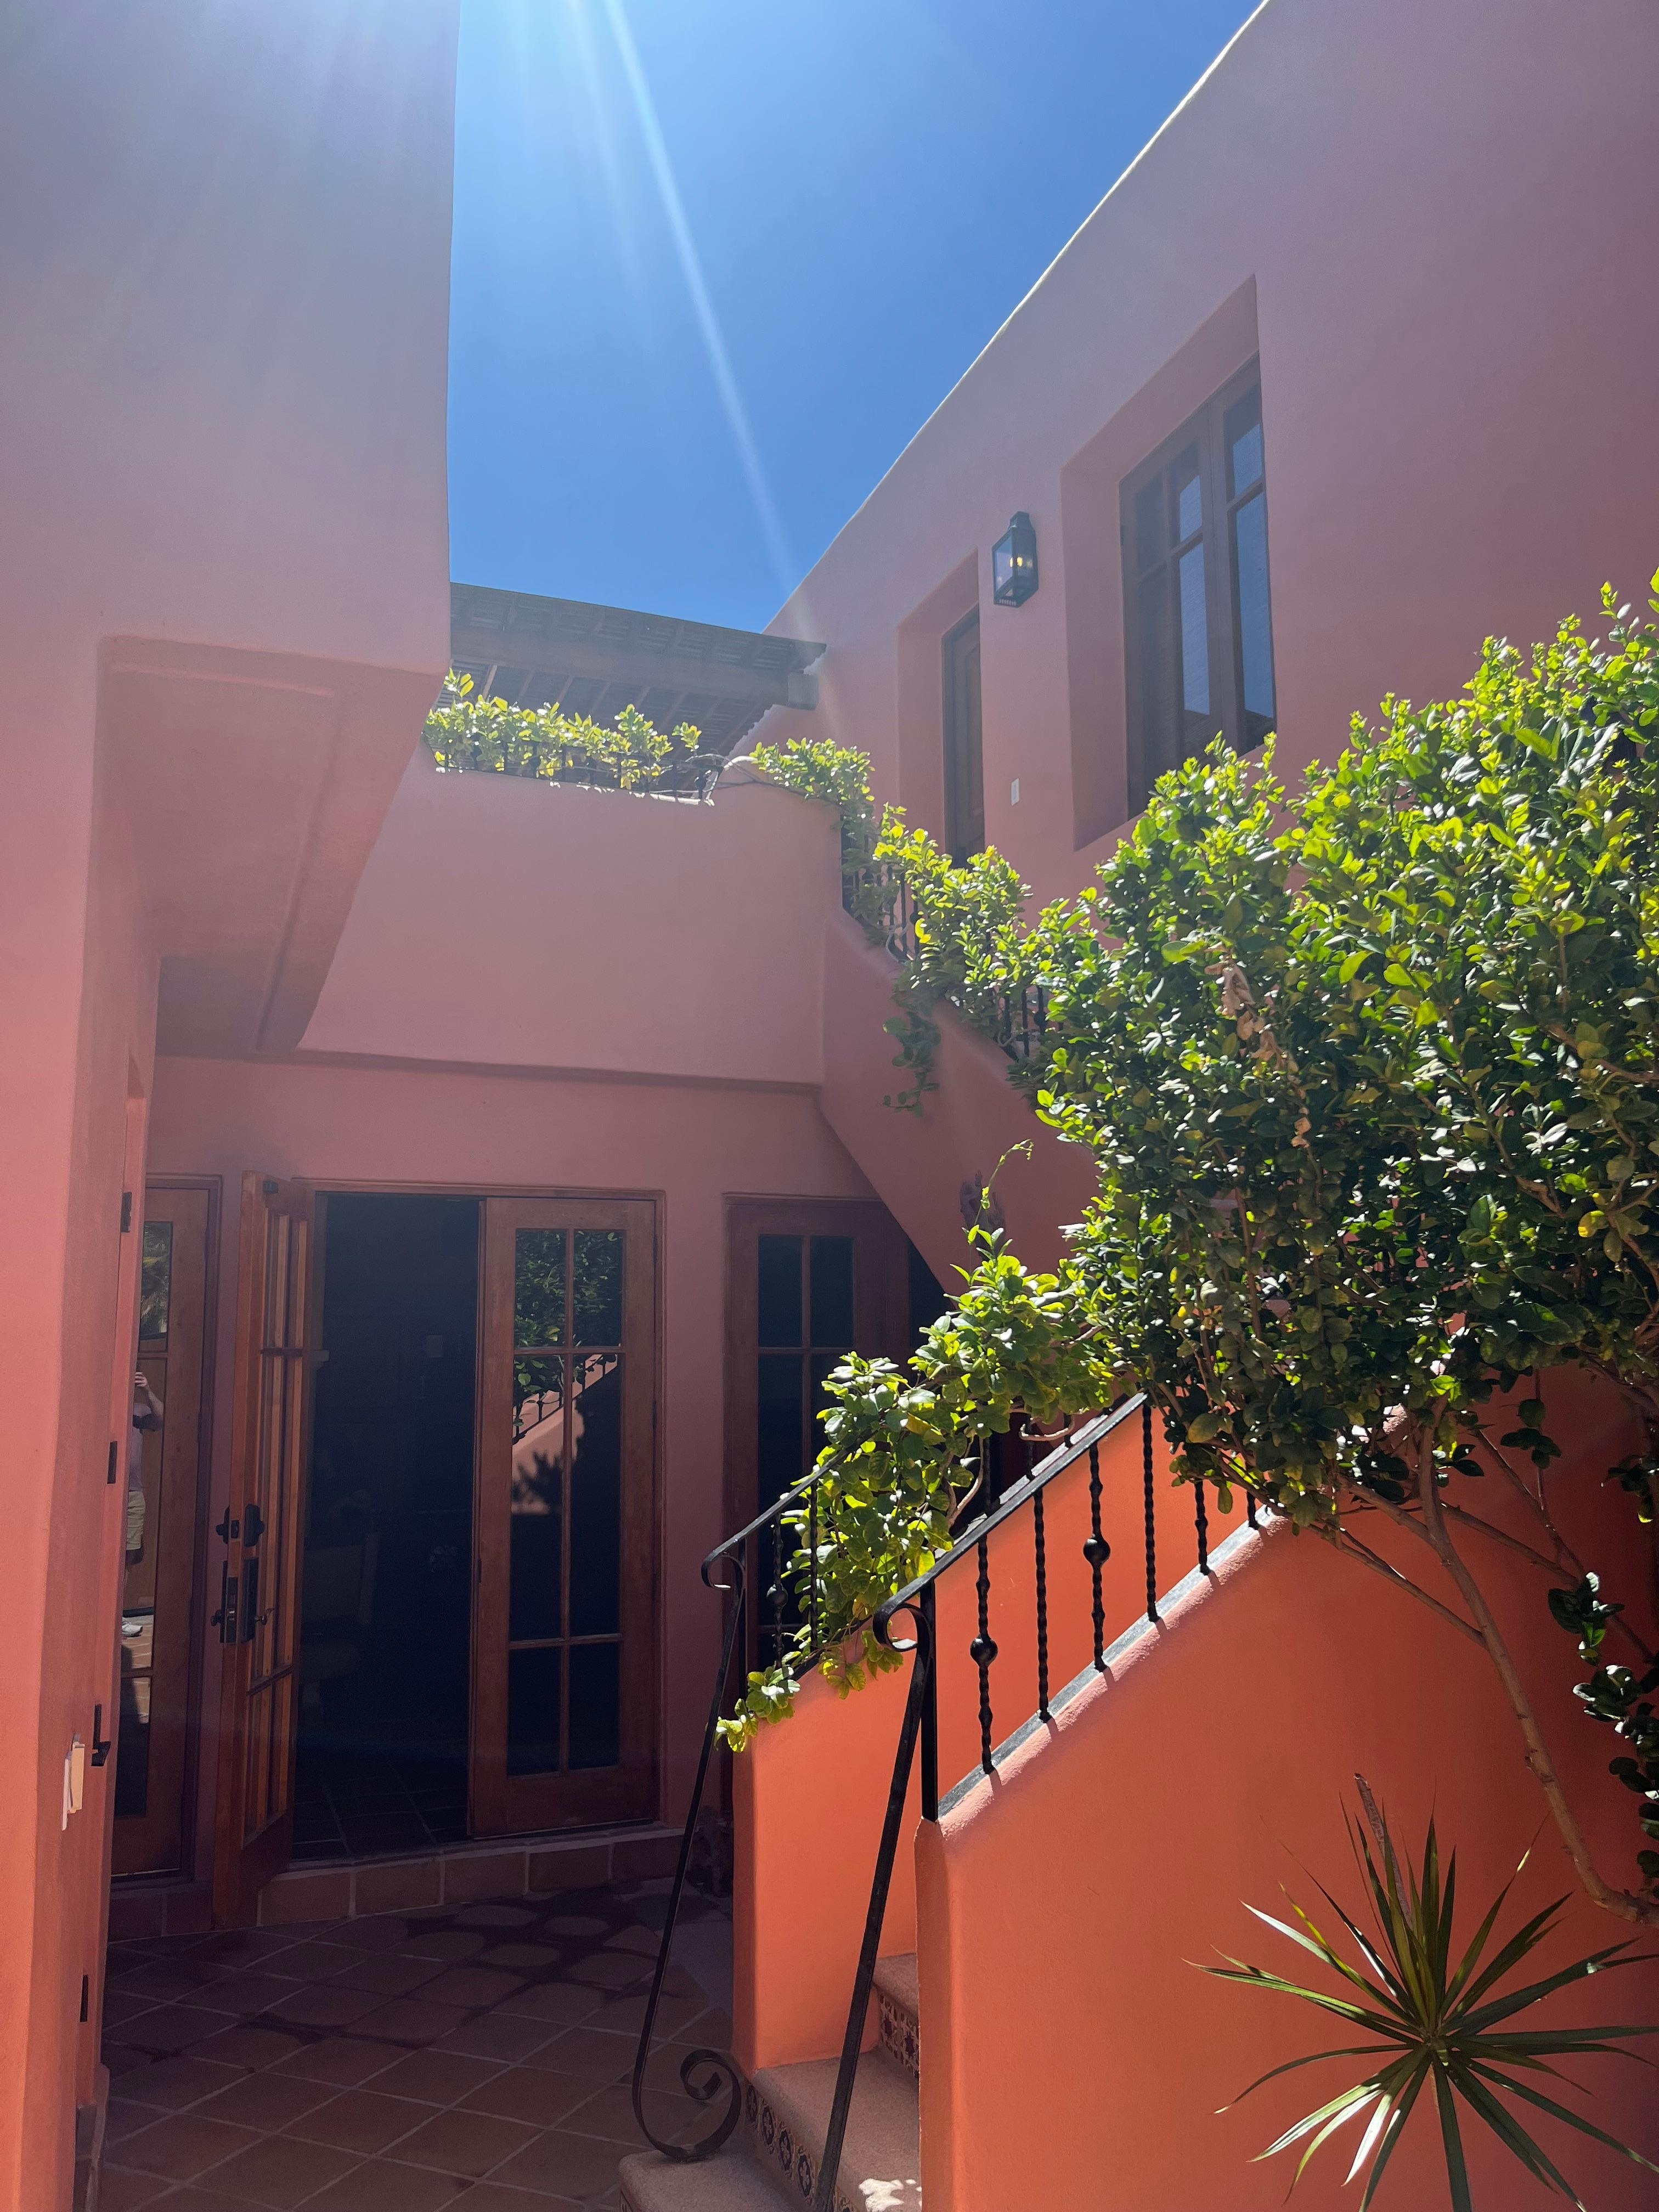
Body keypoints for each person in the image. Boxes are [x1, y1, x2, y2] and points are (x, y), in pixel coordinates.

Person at [128, 1369, 162, 1564]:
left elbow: (161, 1420)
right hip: (102, 1491)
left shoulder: (139, 1410)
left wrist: (147, 1391)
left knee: (128, 1558)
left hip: (133, 1494)